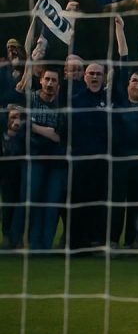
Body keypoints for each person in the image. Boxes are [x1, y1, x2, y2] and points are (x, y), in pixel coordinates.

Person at [110, 15, 138, 249]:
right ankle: (113, 241)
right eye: (133, 80)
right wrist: (120, 29)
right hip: (120, 161)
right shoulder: (120, 101)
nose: (136, 83)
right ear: (127, 84)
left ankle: (132, 242)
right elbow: (123, 58)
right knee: (117, 202)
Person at [68, 62, 111, 251]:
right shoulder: (75, 100)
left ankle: (96, 242)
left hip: (102, 162)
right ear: (85, 76)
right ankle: (76, 243)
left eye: (98, 74)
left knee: (99, 202)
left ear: (104, 77)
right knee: (78, 202)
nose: (94, 77)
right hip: (80, 161)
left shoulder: (109, 101)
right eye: (91, 73)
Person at [24, 67, 67, 251]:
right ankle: (33, 243)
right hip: (35, 158)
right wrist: (42, 130)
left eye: (53, 80)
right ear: (40, 80)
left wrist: (36, 128)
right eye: (47, 79)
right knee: (33, 201)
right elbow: (19, 119)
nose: (49, 83)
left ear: (59, 85)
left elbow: (60, 135)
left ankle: (46, 245)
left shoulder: (62, 104)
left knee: (51, 203)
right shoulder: (30, 99)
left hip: (57, 162)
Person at [1, 104, 27, 249]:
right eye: (13, 117)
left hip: (21, 174)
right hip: (7, 176)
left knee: (21, 206)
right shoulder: (2, 135)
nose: (16, 121)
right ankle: (6, 236)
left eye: (19, 117)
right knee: (8, 204)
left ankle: (18, 237)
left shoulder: (24, 137)